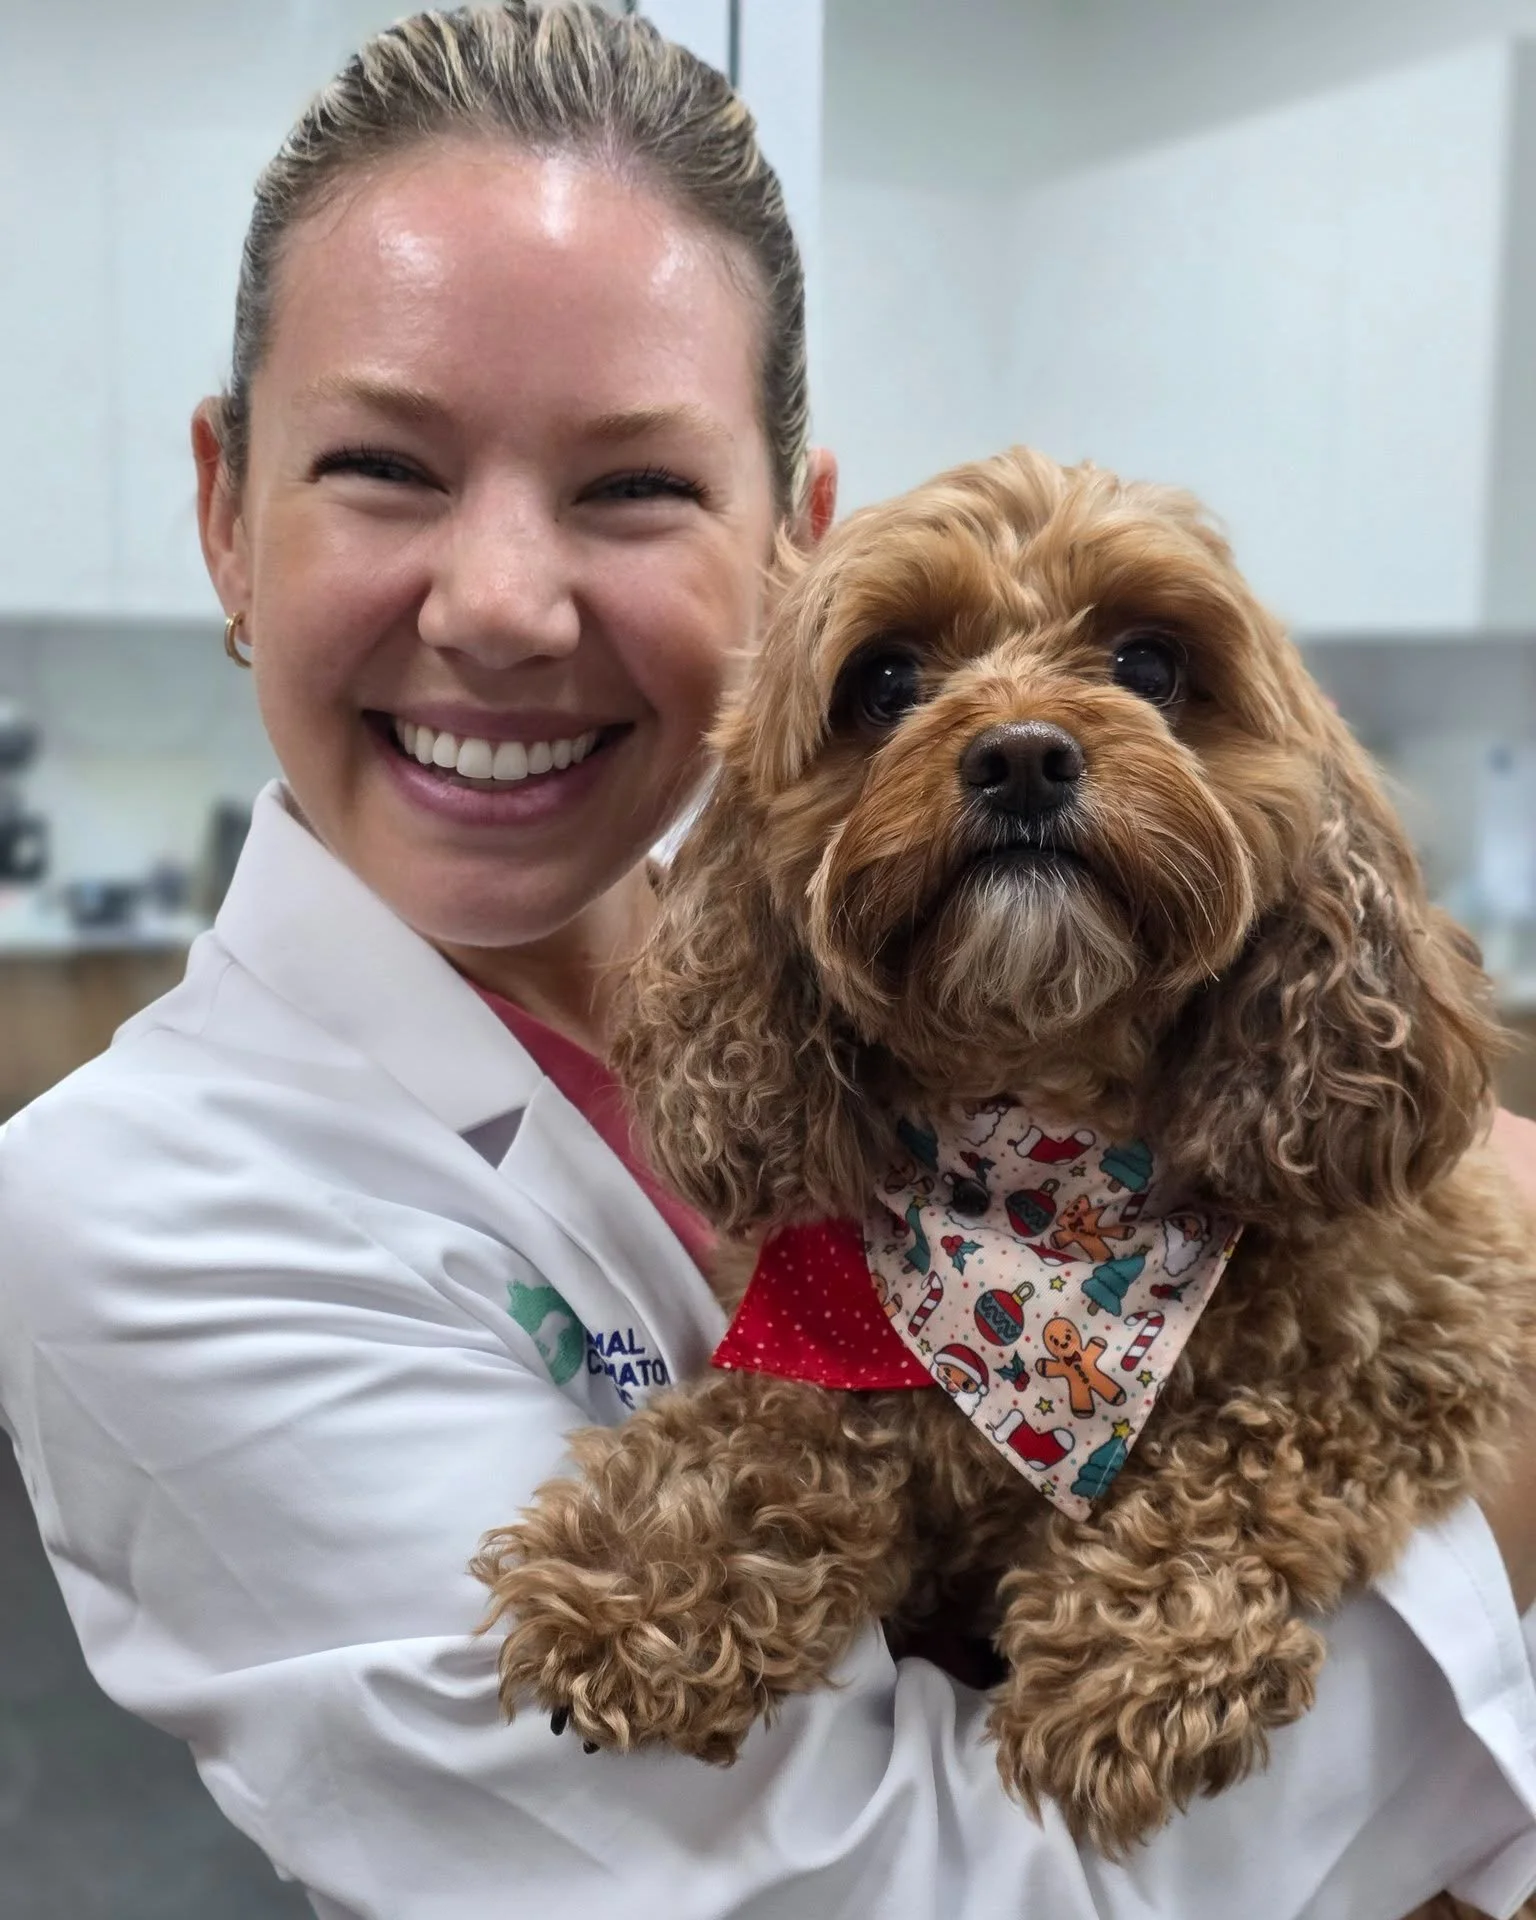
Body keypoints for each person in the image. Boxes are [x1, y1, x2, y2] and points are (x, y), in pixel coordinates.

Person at [1, 7, 1535, 1916]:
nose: (496, 605)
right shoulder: (130, 1209)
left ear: (789, 544)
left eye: (635, 485)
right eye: (383, 465)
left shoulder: (897, 1005)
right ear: (229, 511)